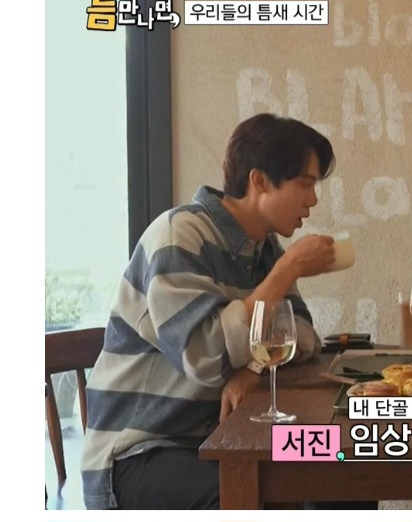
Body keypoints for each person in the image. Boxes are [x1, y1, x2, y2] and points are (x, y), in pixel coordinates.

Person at [82, 114, 338, 509]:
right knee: (257, 501)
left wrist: (252, 369)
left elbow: (301, 335)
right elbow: (205, 355)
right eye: (305, 184)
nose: (313, 199)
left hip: (224, 439)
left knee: (343, 461)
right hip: (144, 449)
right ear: (259, 181)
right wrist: (286, 272)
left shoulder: (264, 248)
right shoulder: (179, 235)